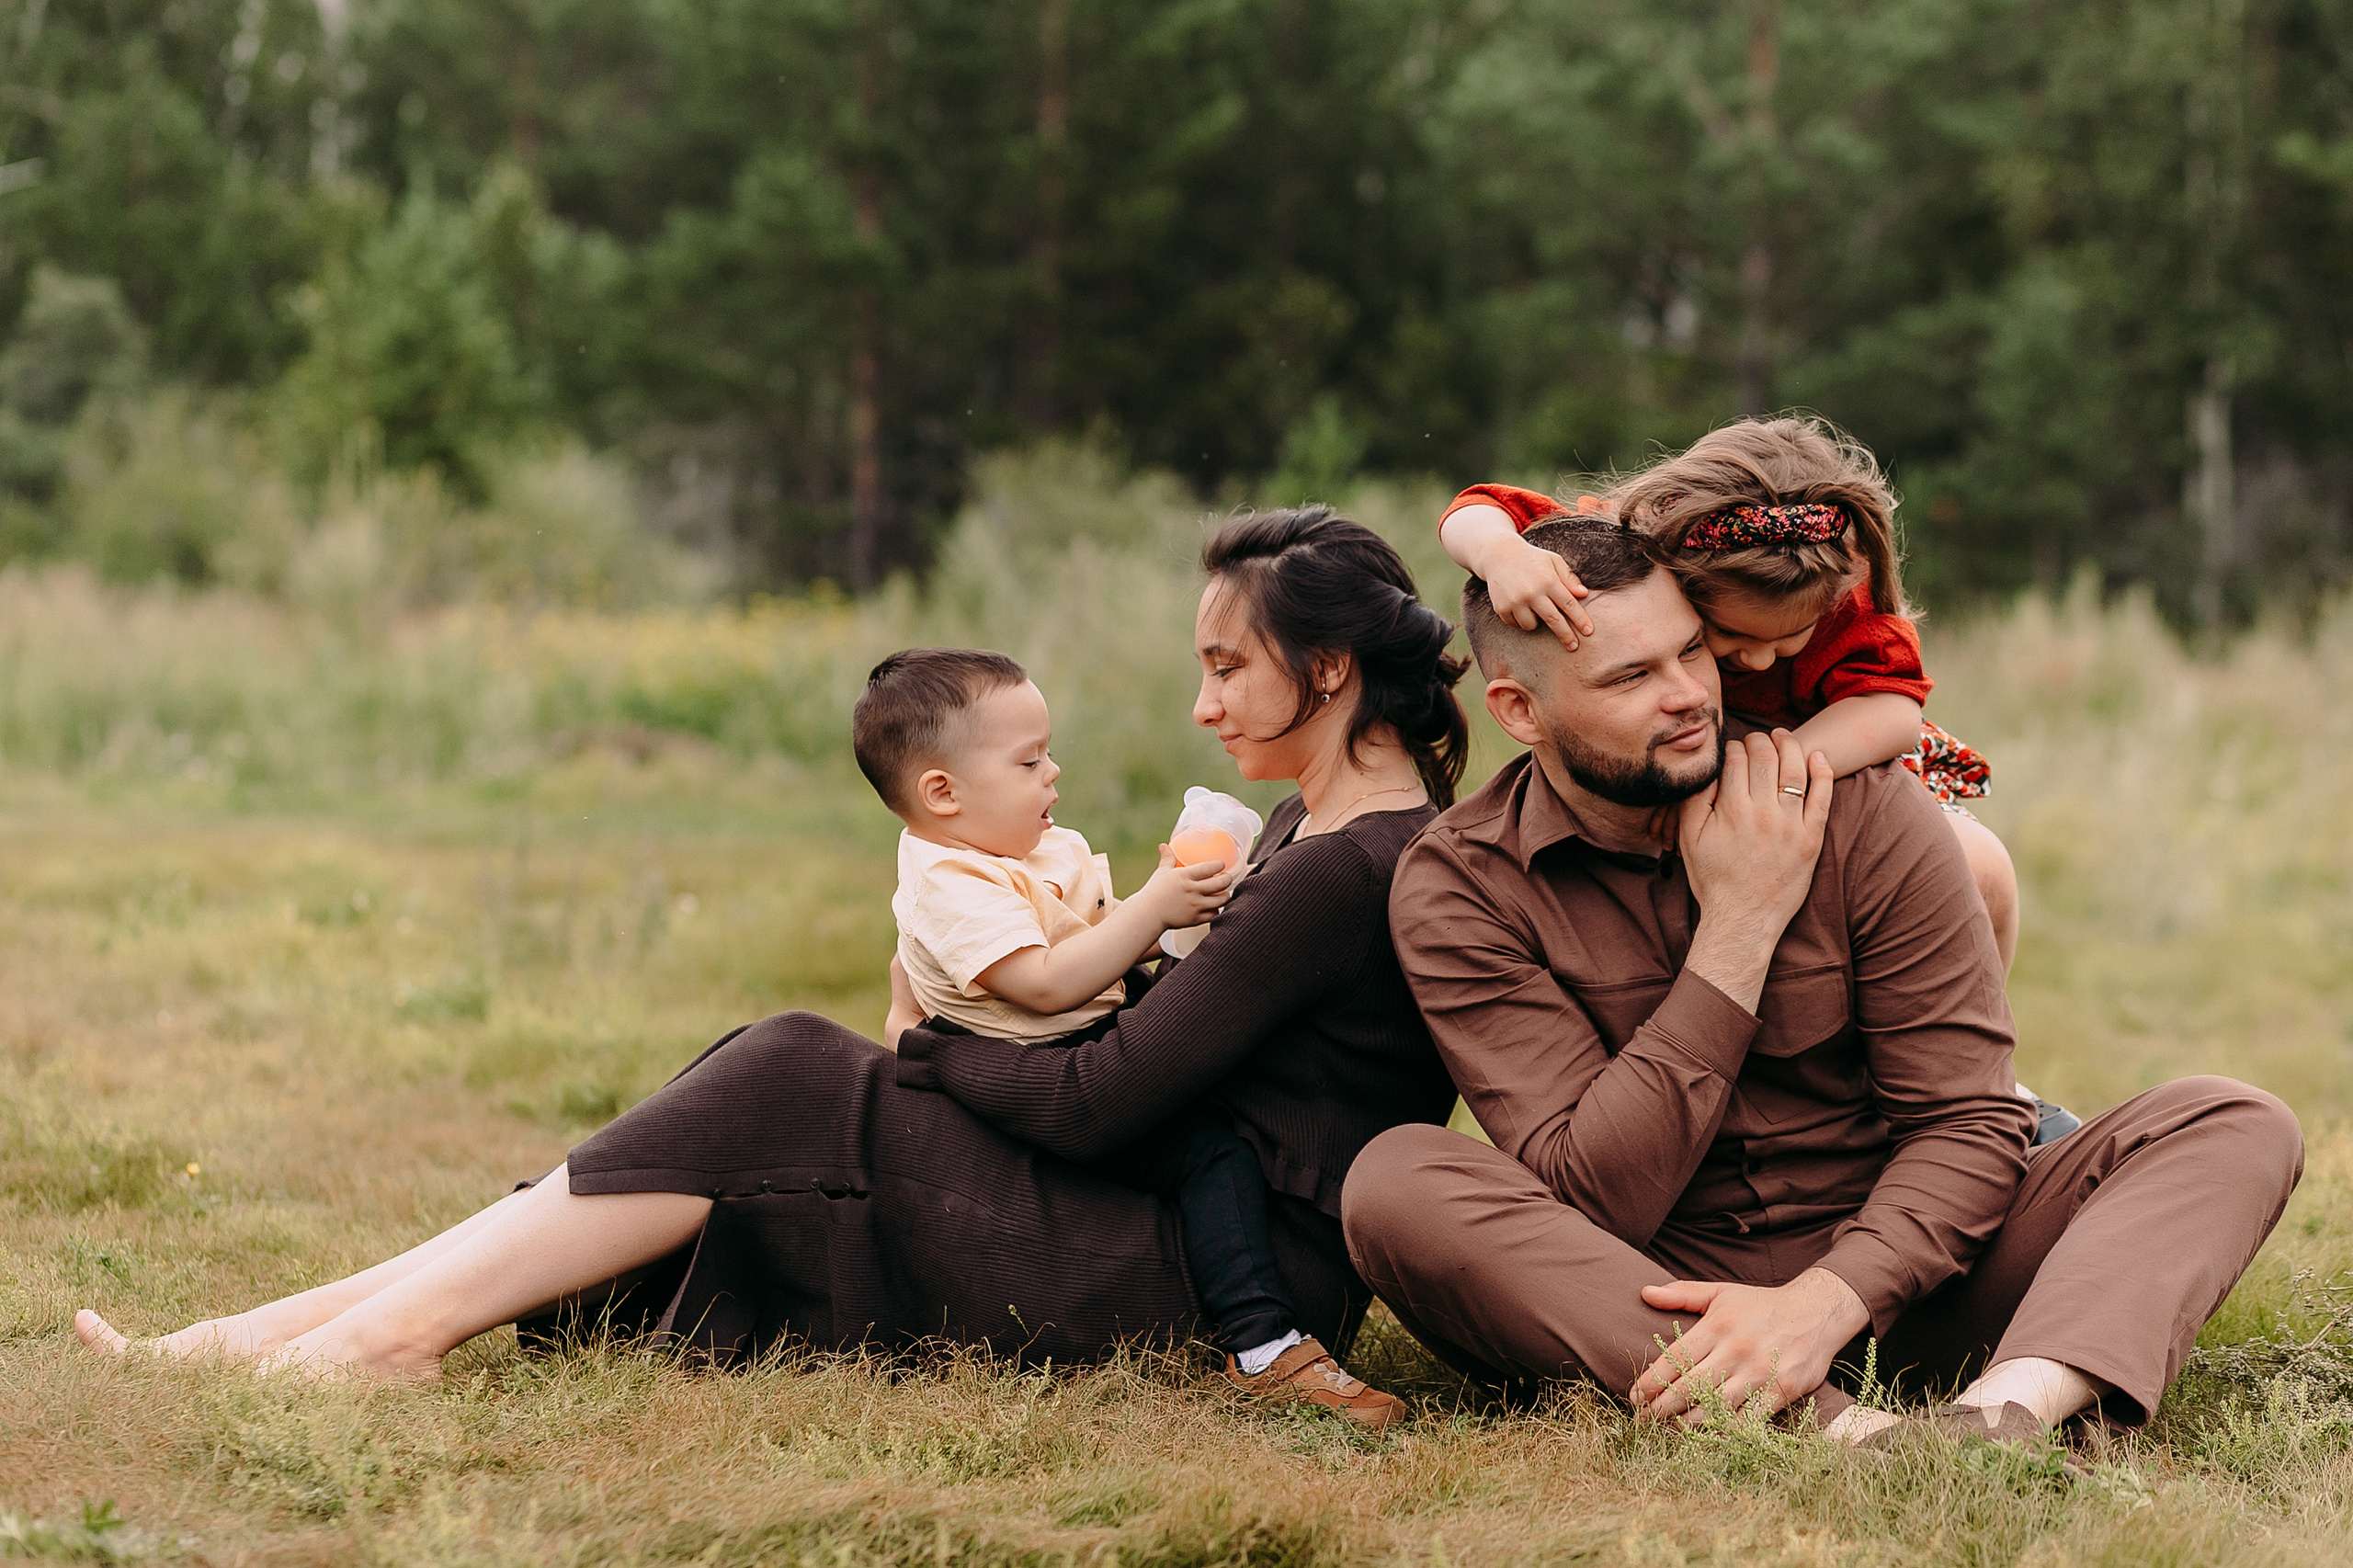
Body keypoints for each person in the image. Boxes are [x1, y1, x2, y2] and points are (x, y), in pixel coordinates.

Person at [74, 507, 1466, 1426]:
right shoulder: (1308, 823)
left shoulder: (1348, 862)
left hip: (1212, 1283)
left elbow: (1106, 1098)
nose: (1203, 702)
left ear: (1330, 670)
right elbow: (1160, 1044)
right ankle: (289, 1329)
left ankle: (357, 1335)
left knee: (801, 1069)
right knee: (778, 1074)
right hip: (1155, 1211)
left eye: (1230, 668)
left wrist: (925, 1044)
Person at [1341, 513, 2302, 1446]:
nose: (1687, 694)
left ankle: (1999, 1418)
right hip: (1655, 1299)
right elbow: (1590, 1195)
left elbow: (1965, 1122)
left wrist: (1825, 1299)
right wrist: (1739, 926)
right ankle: (1845, 1435)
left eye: (1691, 651)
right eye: (1632, 675)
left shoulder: (1862, 803)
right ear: (1520, 711)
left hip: (1919, 1275)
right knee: (1396, 1180)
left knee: (2227, 1119)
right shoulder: (1461, 883)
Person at [858, 645, 1389, 1413]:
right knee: (1209, 1152)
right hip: (1034, 1079)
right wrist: (1152, 909)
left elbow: (1082, 945)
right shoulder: (950, 881)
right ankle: (1262, 1343)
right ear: (942, 793)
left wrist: (1176, 912)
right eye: (1030, 760)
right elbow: (1041, 985)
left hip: (1071, 1045)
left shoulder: (1014, 848)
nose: (1053, 774)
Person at [1437, 418, 2019, 971]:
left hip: (1813, 761)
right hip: (1664, 761)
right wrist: (1499, 554)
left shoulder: (1835, 592)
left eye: (1791, 637)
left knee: (1984, 868)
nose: (1762, 658)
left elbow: (1893, 714)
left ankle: (1985, 1053)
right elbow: (1476, 508)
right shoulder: (1642, 547)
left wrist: (1752, 775)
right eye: (1732, 635)